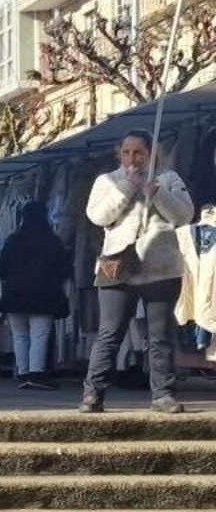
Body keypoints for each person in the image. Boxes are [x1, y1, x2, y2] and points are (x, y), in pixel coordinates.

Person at [81, 129, 194, 414]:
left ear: (150, 154)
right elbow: (98, 216)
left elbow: (184, 215)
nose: (132, 158)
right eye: (127, 152)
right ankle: (93, 393)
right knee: (110, 332)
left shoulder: (168, 178)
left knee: (160, 335)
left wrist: (156, 193)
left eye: (139, 152)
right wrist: (127, 187)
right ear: (119, 154)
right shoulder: (107, 181)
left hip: (161, 266)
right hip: (117, 263)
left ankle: (163, 394)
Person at [0, 200, 70, 391]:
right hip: (44, 294)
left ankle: (22, 373)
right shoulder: (53, 241)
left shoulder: (13, 240)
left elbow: (1, 269)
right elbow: (64, 268)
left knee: (19, 335)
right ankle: (36, 373)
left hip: (15, 295)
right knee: (39, 335)